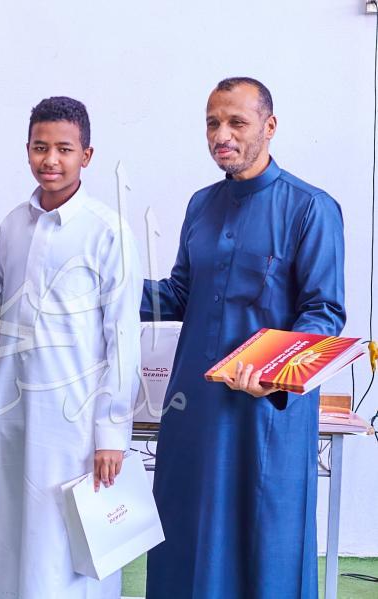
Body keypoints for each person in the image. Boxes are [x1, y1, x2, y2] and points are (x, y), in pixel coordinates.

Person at [142, 77, 345, 599]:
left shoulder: (310, 208)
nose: (221, 135)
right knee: (183, 542)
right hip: (193, 413)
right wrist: (105, 287)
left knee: (267, 551)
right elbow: (179, 294)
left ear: (269, 126)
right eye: (212, 123)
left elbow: (324, 312)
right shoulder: (200, 205)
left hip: (265, 417)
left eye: (237, 122)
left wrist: (275, 372)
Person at [0, 97, 142, 598]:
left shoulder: (108, 232)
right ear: (27, 150)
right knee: (6, 530)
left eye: (64, 149)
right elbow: (2, 307)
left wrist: (111, 433)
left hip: (74, 420)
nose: (51, 160)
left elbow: (123, 337)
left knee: (65, 545)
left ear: (87, 155)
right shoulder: (14, 225)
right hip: (13, 408)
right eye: (40, 147)